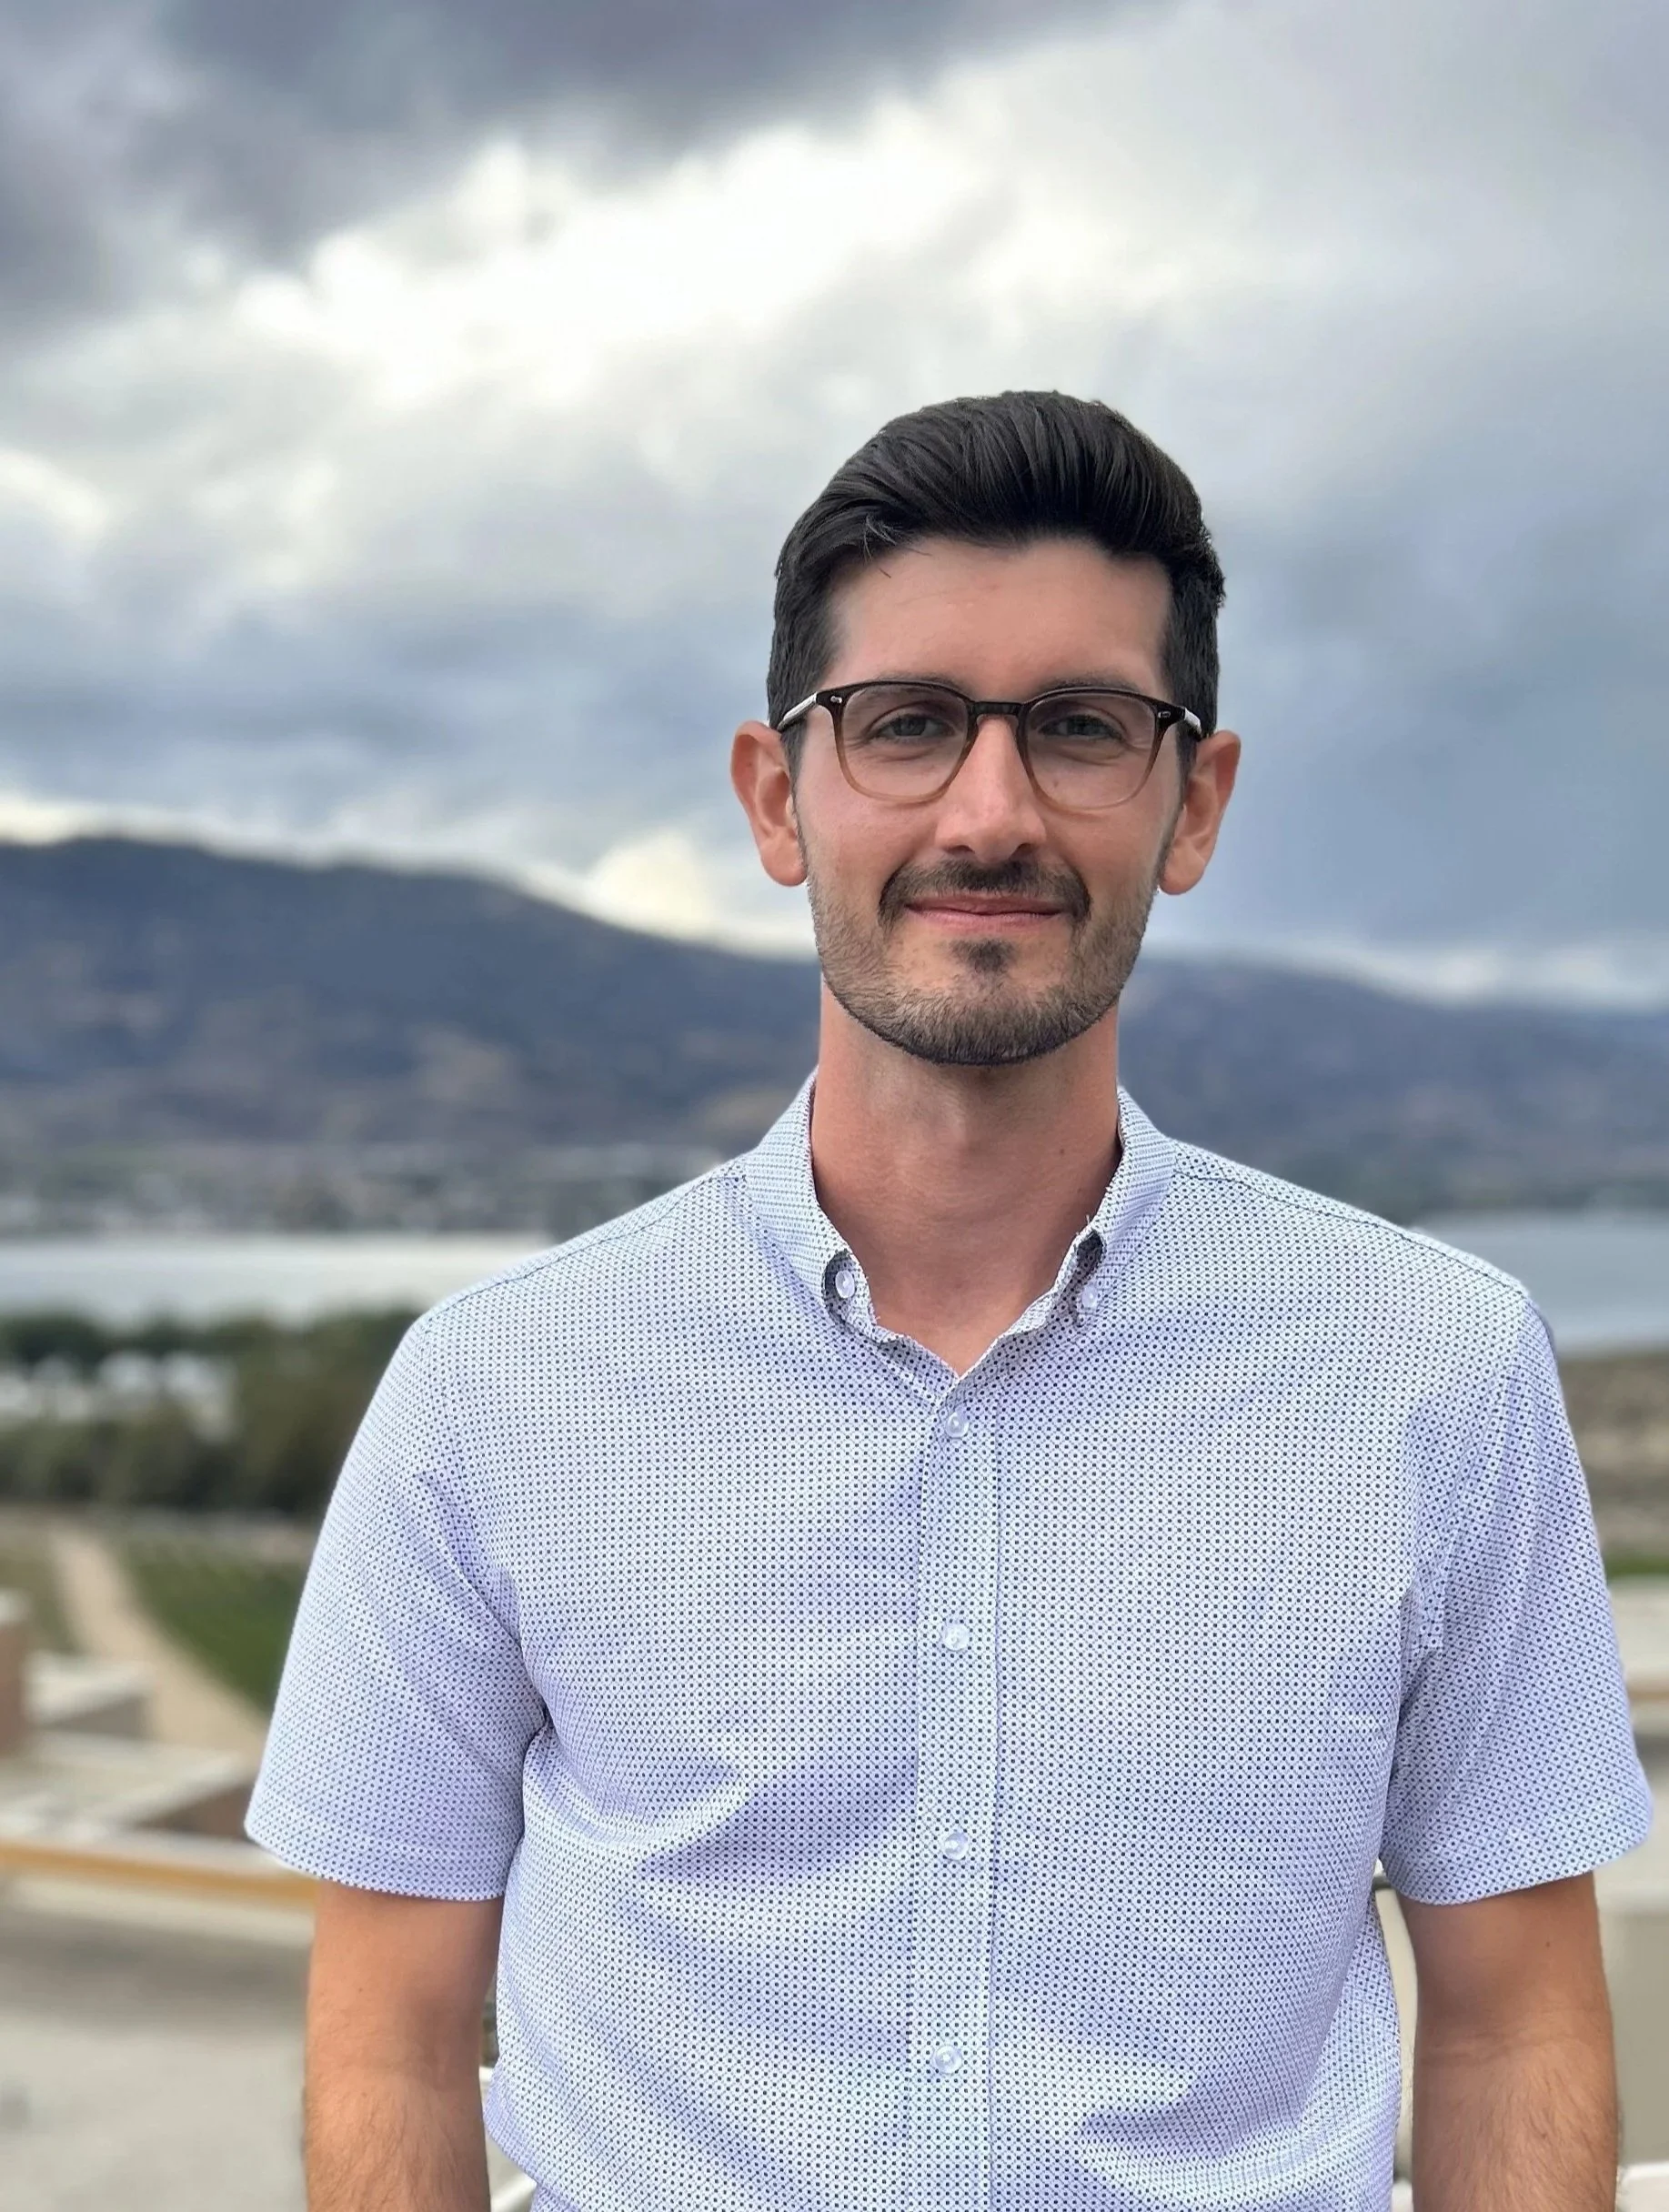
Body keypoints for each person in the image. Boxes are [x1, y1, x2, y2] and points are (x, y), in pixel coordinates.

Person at [247, 390, 1651, 2212]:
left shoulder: (1431, 1373)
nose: (988, 812)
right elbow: (392, 2034)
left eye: (1077, 727)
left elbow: (1511, 2024)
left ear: (1190, 799)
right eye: (905, 725)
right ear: (778, 794)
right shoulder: (497, 1394)